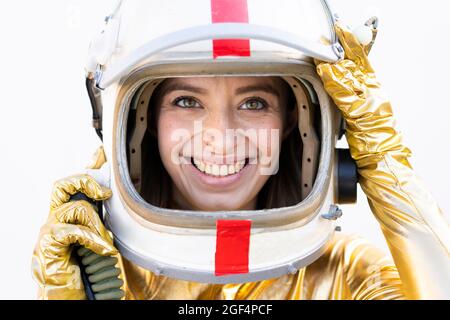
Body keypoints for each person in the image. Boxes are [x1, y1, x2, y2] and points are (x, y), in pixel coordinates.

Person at [31, 1, 449, 300]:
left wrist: (385, 163)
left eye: (254, 103)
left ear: (294, 122)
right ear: (141, 123)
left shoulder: (349, 275)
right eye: (186, 101)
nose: (220, 136)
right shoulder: (99, 277)